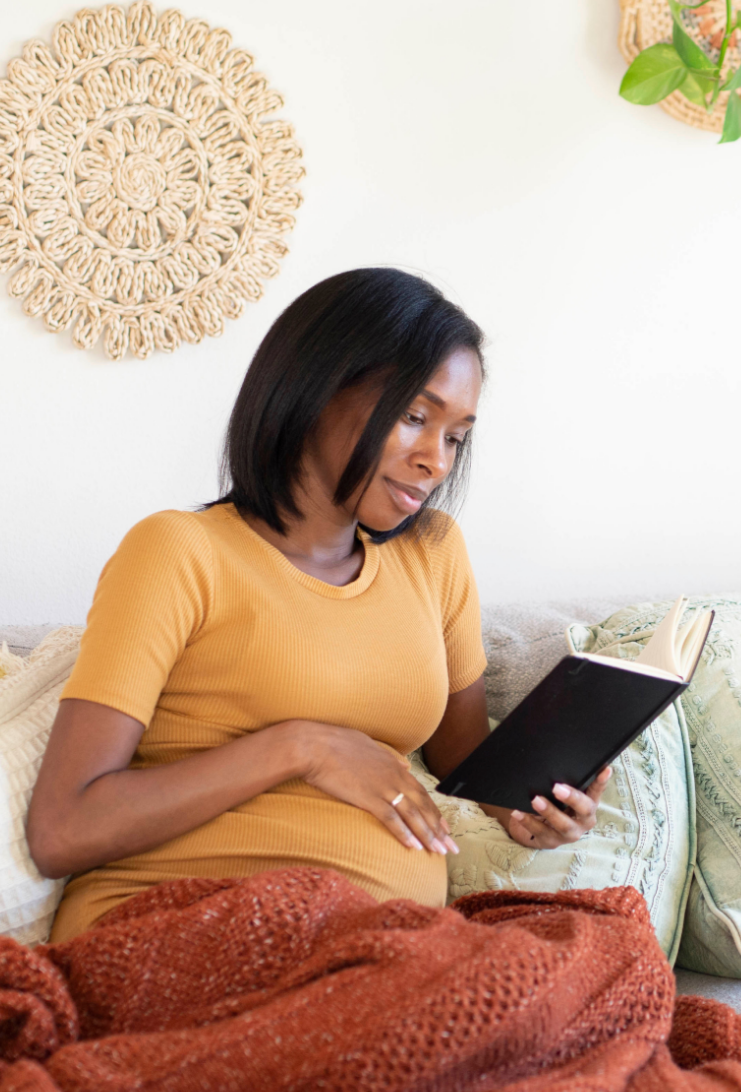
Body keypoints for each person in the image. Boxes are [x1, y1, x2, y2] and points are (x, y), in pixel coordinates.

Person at [28, 269, 610, 942]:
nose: (437, 462)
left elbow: (463, 756)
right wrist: (300, 747)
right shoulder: (177, 553)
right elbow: (63, 829)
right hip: (186, 925)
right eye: (415, 417)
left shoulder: (433, 554)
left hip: (384, 943)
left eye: (455, 436)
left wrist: (530, 803)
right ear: (314, 391)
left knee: (602, 948)